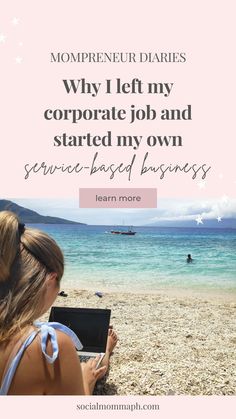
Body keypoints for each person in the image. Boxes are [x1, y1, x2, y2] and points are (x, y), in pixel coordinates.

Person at [0, 211, 117, 395]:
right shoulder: (48, 348)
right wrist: (86, 379)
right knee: (90, 367)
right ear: (51, 279)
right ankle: (104, 352)